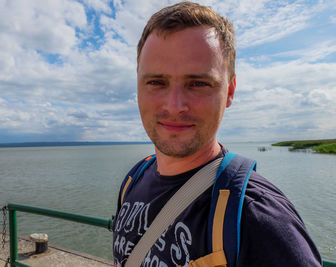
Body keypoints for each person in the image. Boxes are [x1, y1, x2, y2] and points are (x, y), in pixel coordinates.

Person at [113, 2, 322, 266]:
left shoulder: (257, 217)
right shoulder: (133, 181)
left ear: (230, 91)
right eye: (156, 82)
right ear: (139, 87)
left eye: (198, 83)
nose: (175, 106)